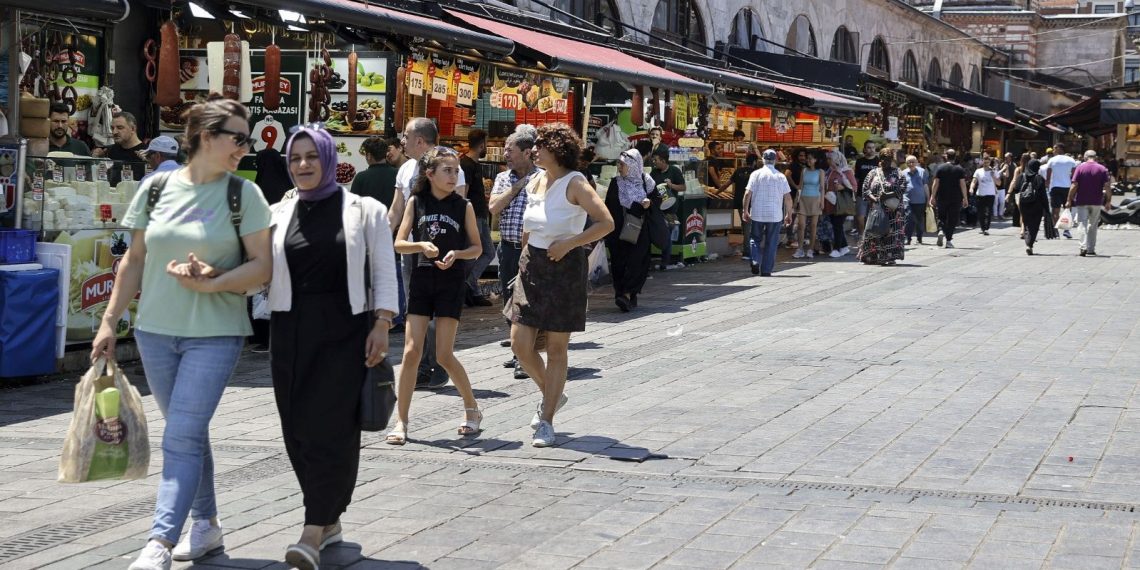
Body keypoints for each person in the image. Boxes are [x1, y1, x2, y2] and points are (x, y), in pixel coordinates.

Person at [90, 96, 272, 570]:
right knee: (186, 434)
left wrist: (213, 280)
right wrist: (110, 321)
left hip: (216, 333)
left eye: (246, 138)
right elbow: (133, 261)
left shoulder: (243, 194)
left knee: (183, 436)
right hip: (154, 331)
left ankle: (160, 541)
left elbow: (263, 267)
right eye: (238, 137)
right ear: (206, 138)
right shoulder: (154, 189)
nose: (244, 147)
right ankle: (207, 525)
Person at [265, 127, 398, 570]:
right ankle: (330, 517)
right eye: (295, 158)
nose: (303, 165)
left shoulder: (365, 210)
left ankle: (312, 528)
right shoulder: (279, 211)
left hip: (346, 332)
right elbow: (257, 264)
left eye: (311, 157)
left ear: (328, 159)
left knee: (332, 431)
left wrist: (382, 323)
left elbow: (383, 269)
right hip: (289, 330)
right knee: (297, 430)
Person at [505, 123, 613, 448]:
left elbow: (606, 222)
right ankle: (553, 393)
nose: (534, 150)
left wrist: (570, 244)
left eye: (541, 145)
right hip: (532, 265)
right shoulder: (534, 181)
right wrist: (523, 259)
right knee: (519, 345)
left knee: (556, 349)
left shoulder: (575, 183)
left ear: (558, 149)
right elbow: (529, 226)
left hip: (565, 268)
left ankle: (547, 419)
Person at [390, 146, 484, 445]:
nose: (453, 175)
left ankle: (472, 408)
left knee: (443, 354)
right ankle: (401, 422)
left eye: (456, 170)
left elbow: (477, 248)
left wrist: (457, 253)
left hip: (451, 281)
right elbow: (399, 243)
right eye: (447, 170)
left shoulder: (463, 205)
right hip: (422, 278)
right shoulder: (416, 202)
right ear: (429, 174)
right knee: (410, 352)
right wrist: (421, 247)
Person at [388, 118, 468, 389]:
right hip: (412, 249)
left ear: (419, 140)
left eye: (406, 136)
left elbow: (458, 206)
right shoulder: (405, 169)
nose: (402, 141)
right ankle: (421, 366)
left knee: (438, 313)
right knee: (416, 311)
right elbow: (396, 210)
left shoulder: (450, 164)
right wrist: (383, 240)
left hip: (443, 253)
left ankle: (438, 363)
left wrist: (455, 251)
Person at [489, 125, 540, 380]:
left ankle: (526, 355)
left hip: (534, 250)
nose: (506, 154)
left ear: (528, 153)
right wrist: (517, 186)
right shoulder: (503, 178)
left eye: (511, 150)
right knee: (509, 300)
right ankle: (518, 352)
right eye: (506, 149)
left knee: (528, 302)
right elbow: (494, 208)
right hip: (508, 248)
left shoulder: (543, 177)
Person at [605, 149, 656, 312]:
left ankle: (627, 294)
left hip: (639, 231)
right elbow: (608, 206)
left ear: (634, 165)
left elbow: (658, 201)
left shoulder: (646, 182)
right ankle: (621, 294)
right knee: (619, 263)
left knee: (636, 263)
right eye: (619, 164)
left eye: (623, 164)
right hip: (618, 232)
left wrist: (649, 203)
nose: (620, 167)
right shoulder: (616, 183)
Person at [459, 129, 495, 307]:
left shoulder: (473, 164)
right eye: (486, 143)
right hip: (473, 216)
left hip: (479, 213)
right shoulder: (466, 165)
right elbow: (463, 193)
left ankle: (470, 286)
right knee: (481, 252)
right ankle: (469, 286)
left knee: (485, 252)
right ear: (481, 144)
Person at [742, 149, 793, 276]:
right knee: (771, 242)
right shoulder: (781, 176)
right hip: (775, 215)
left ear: (763, 160)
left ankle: (754, 260)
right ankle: (766, 270)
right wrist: (789, 214)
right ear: (775, 160)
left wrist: (745, 210)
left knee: (755, 239)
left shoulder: (755, 174)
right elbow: (788, 198)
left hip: (758, 213)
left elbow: (747, 193)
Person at [858, 149, 908, 266]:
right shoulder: (873, 173)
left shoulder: (898, 172)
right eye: (884, 159)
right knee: (874, 231)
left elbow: (903, 187)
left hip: (893, 211)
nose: (886, 162)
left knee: (891, 234)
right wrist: (874, 199)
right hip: (877, 209)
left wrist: (888, 195)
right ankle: (871, 256)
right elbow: (865, 189)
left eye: (889, 160)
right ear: (880, 160)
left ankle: (890, 257)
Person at [1066, 150, 1113, 257]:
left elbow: (1074, 185)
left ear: (1085, 157)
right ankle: (1091, 249)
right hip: (1096, 201)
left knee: (1082, 223)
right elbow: (1107, 186)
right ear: (1095, 157)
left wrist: (1069, 199)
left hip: (1082, 201)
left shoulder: (1080, 168)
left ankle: (1083, 247)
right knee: (1093, 225)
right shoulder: (1102, 169)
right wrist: (1108, 201)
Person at [649, 148, 684, 269]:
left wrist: (671, 185)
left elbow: (683, 187)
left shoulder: (674, 171)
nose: (654, 162)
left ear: (663, 161)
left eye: (656, 160)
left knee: (667, 233)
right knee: (656, 232)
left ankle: (665, 260)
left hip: (670, 208)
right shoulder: (654, 172)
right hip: (656, 207)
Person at [95, 111, 148, 185]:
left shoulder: (147, 153)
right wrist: (98, 160)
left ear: (132, 129)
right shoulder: (110, 151)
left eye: (120, 127)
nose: (114, 132)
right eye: (112, 128)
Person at [931, 149, 969, 249]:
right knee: (952, 219)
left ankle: (940, 230)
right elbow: (963, 185)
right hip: (956, 198)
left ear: (946, 156)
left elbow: (936, 183)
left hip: (942, 196)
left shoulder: (940, 168)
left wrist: (932, 196)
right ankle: (948, 240)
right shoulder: (959, 169)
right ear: (955, 157)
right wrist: (965, 198)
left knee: (941, 216)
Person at [351, 136, 398, 207]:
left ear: (369, 156)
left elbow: (353, 207)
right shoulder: (398, 173)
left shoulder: (361, 177)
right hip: (393, 217)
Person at [824, 150, 855, 258]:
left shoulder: (846, 171)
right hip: (831, 202)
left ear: (836, 159)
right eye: (827, 158)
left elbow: (854, 187)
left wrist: (843, 188)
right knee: (836, 225)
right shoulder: (830, 171)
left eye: (830, 159)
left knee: (837, 225)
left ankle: (837, 248)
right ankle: (844, 247)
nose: (828, 161)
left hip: (841, 203)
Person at [1043, 143, 1078, 239]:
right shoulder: (1071, 160)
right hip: (1067, 187)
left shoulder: (1052, 160)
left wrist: (1046, 187)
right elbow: (1074, 177)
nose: (1053, 151)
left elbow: (1048, 177)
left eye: (1054, 148)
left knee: (1055, 210)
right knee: (1068, 209)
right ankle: (1066, 230)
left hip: (1055, 187)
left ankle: (1056, 230)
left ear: (1059, 149)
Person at [727, 153, 758, 259]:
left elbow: (728, 183)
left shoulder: (738, 170)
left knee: (745, 226)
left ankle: (748, 250)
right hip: (751, 202)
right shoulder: (756, 173)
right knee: (748, 227)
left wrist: (717, 193)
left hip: (739, 201)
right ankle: (747, 252)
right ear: (754, 162)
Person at [793, 151, 823, 258]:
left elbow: (822, 188)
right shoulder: (804, 170)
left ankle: (810, 249)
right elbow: (800, 186)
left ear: (816, 160)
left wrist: (822, 202)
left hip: (816, 200)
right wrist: (796, 200)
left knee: (813, 226)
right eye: (808, 158)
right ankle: (800, 248)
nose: (808, 160)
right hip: (803, 199)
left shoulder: (820, 172)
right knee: (801, 225)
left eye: (811, 158)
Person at [1018, 159, 1051, 255]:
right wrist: (1046, 208)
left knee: (1026, 223)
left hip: (1024, 204)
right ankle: (1029, 244)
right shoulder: (1039, 178)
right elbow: (1043, 194)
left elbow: (1016, 188)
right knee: (1034, 225)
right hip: (1037, 205)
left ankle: (1028, 242)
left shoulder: (1022, 176)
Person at [902, 155, 929, 245]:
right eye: (909, 162)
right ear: (906, 164)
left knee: (919, 219)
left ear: (917, 162)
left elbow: (925, 186)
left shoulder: (922, 172)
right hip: (907, 199)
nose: (911, 164)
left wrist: (928, 198)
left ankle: (919, 237)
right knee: (908, 218)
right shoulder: (903, 173)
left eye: (913, 162)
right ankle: (907, 238)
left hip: (920, 200)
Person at [970, 155, 999, 236]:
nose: (986, 164)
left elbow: (999, 183)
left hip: (990, 194)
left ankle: (986, 228)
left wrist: (993, 176)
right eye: (984, 162)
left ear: (990, 162)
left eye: (987, 162)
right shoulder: (978, 171)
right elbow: (974, 181)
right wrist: (971, 188)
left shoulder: (993, 171)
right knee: (981, 212)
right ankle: (983, 228)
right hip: (980, 194)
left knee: (989, 212)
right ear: (982, 162)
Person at [853, 141, 878, 236]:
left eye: (873, 147)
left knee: (874, 218)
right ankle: (862, 236)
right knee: (860, 217)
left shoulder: (878, 161)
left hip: (875, 195)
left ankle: (871, 238)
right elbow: (856, 178)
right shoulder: (859, 161)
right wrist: (854, 192)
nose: (871, 150)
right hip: (861, 194)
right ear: (864, 149)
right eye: (869, 147)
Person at [1008, 152, 1031, 236]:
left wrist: (1009, 193)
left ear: (1021, 160)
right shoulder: (1033, 169)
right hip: (1030, 193)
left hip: (1019, 193)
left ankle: (1022, 230)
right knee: (1028, 212)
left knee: (1022, 212)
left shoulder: (1018, 169)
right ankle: (1024, 229)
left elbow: (1013, 181)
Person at [996, 152, 1014, 220]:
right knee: (1002, 199)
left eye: (1007, 157)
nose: (1005, 159)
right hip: (1003, 184)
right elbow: (999, 174)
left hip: (1010, 184)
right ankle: (1003, 212)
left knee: (1009, 198)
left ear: (1010, 158)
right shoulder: (1003, 164)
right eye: (1005, 157)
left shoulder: (1013, 165)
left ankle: (1008, 210)